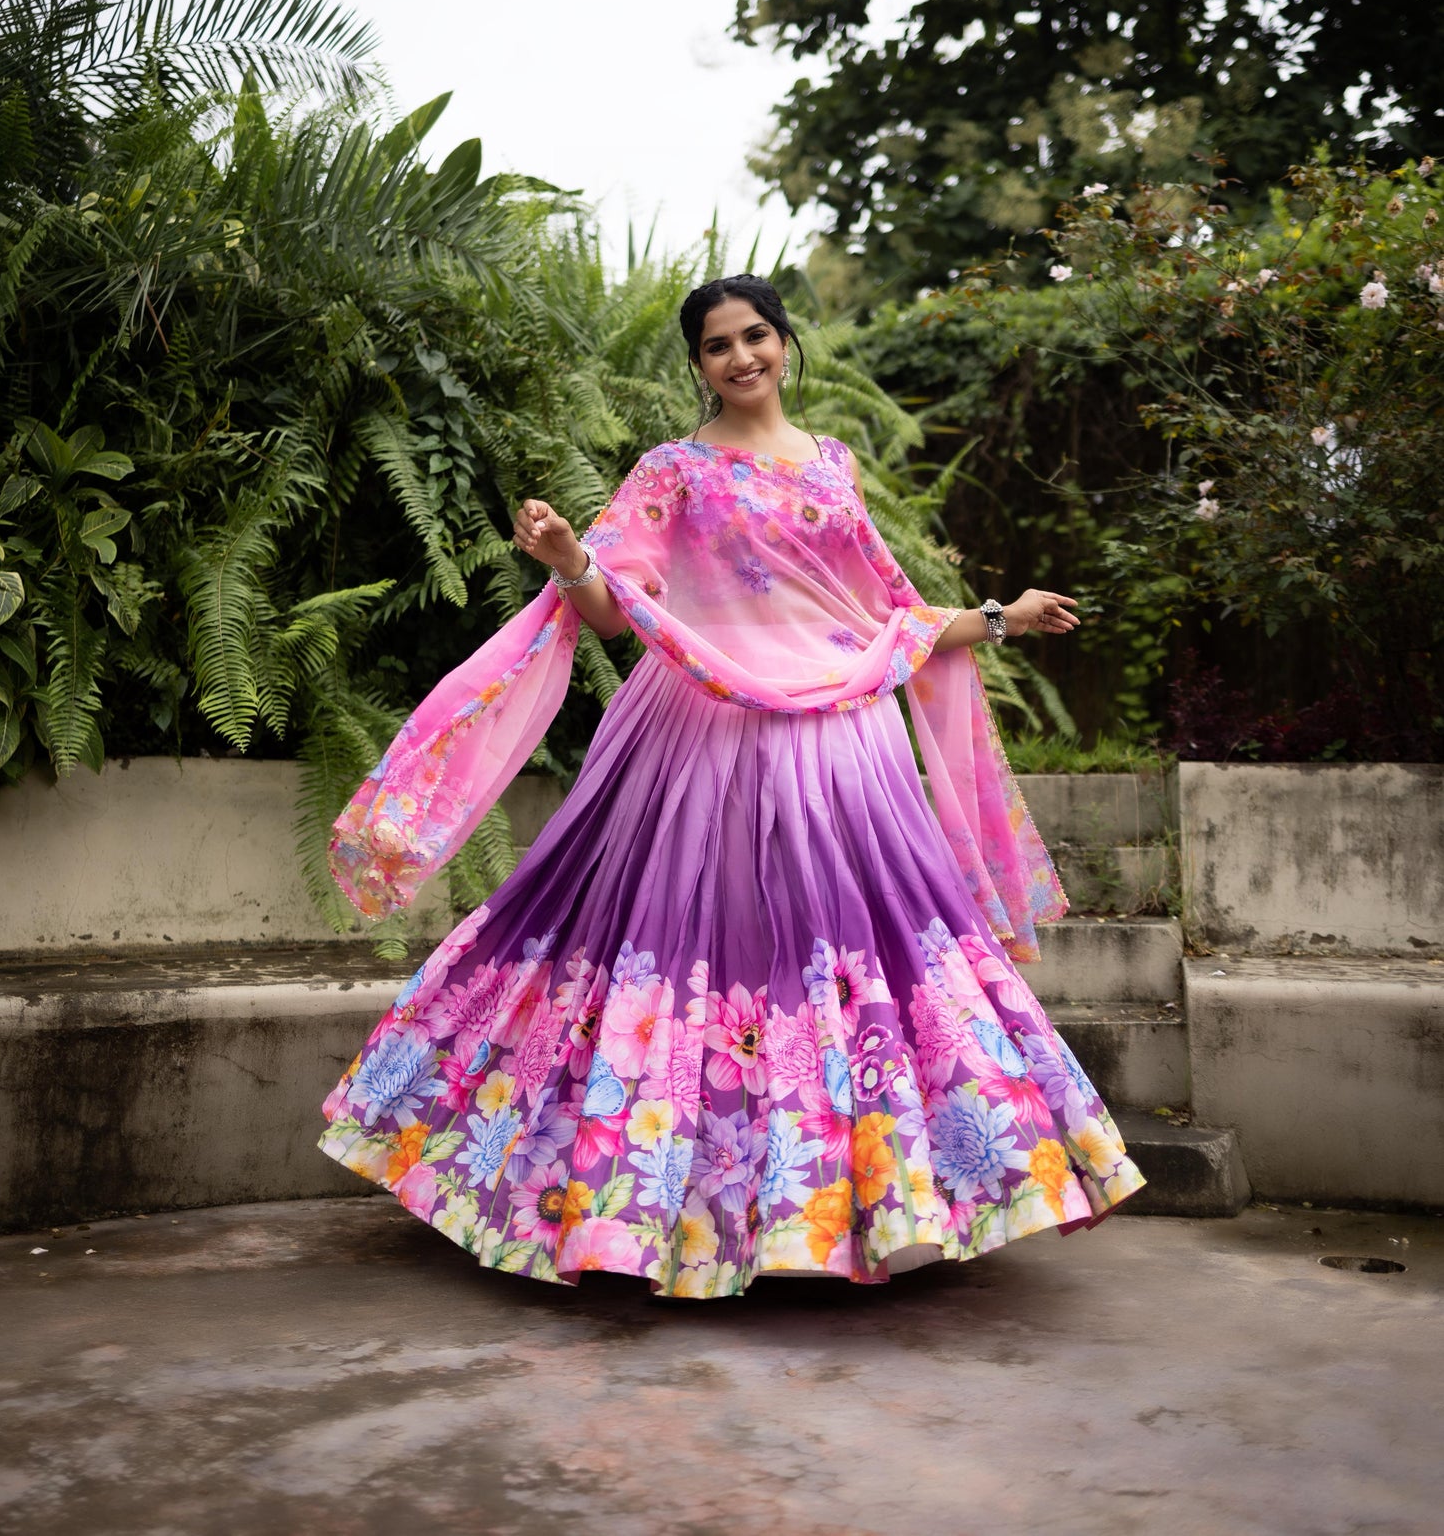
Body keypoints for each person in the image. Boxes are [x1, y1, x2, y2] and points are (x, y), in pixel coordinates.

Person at [319, 275, 1145, 1297]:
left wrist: (1003, 616)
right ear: (697, 365)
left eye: (756, 335)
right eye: (717, 345)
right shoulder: (672, 471)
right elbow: (617, 613)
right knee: (670, 939)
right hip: (697, 745)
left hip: (839, 749)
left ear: (783, 343)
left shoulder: (832, 465)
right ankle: (638, 1204)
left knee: (846, 948)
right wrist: (570, 556)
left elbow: (886, 615)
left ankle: (844, 1206)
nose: (741, 357)